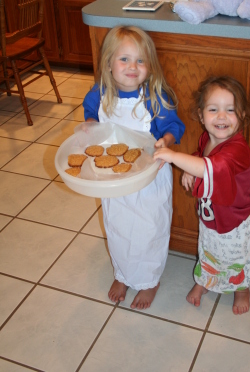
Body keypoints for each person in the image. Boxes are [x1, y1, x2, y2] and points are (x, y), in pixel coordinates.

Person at [83, 25, 185, 310]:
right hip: (114, 179)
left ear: (150, 67)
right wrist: (90, 123)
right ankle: (123, 273)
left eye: (140, 60)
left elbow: (173, 126)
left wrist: (165, 139)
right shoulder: (101, 93)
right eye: (124, 59)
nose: (132, 67)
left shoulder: (155, 96)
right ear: (109, 64)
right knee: (118, 226)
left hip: (149, 178)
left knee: (148, 228)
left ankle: (149, 279)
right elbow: (91, 112)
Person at [153, 76, 250, 315]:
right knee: (208, 251)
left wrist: (174, 157)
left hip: (235, 223)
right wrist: (190, 168)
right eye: (213, 109)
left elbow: (211, 168)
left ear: (242, 115)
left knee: (236, 259)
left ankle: (241, 289)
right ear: (201, 116)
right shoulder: (206, 139)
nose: (222, 116)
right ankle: (205, 281)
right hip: (210, 218)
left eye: (230, 110)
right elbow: (201, 158)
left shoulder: (238, 149)